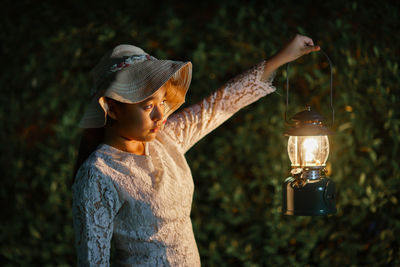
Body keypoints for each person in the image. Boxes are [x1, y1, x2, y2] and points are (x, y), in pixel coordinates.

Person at [72, 34, 320, 266]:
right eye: (148, 107)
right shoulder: (98, 173)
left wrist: (282, 57)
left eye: (162, 102)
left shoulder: (166, 141)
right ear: (112, 108)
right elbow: (93, 262)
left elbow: (220, 104)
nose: (161, 115)